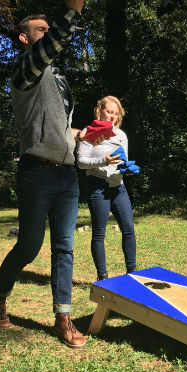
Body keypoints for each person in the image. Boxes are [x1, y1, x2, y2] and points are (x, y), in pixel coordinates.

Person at [0, 0, 93, 348]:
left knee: (65, 248)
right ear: (23, 38)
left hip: (67, 175)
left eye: (48, 28)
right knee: (30, 246)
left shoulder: (58, 81)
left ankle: (63, 317)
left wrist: (86, 134)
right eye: (39, 30)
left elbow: (60, 129)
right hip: (36, 173)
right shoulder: (24, 70)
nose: (46, 34)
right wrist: (72, 10)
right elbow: (56, 40)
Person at [77, 96, 137, 281]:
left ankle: (132, 274)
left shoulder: (121, 135)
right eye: (109, 111)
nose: (112, 116)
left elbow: (123, 160)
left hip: (119, 187)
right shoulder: (88, 133)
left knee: (128, 230)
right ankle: (103, 277)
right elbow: (81, 162)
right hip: (98, 187)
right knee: (99, 234)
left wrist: (127, 169)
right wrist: (104, 160)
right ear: (99, 111)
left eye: (115, 113)